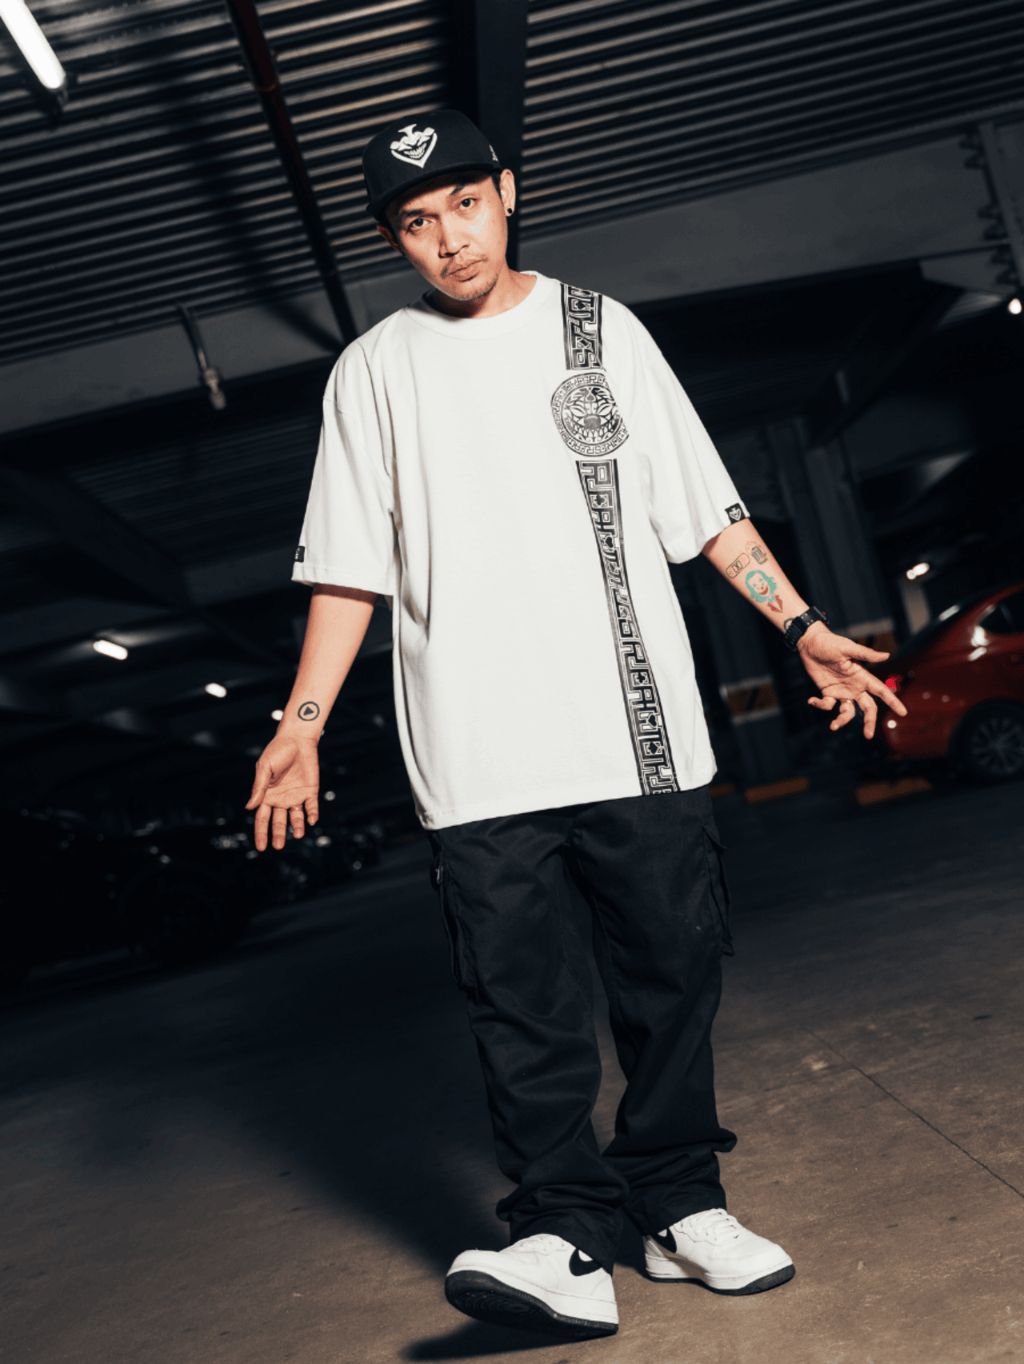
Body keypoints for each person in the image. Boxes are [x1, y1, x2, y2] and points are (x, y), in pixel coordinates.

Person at [247, 110, 907, 1341]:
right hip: (474, 753)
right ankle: (561, 1234)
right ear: (395, 240)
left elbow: (708, 511)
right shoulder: (373, 371)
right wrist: (303, 723)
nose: (449, 236)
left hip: (634, 736)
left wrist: (801, 622)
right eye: (416, 221)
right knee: (521, 1002)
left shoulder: (602, 331)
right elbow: (347, 570)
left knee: (672, 973)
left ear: (505, 190)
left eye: (464, 203)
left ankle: (680, 1203)